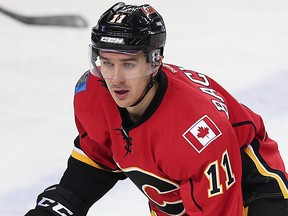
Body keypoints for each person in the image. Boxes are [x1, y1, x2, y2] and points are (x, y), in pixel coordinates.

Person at [25, 2, 288, 216]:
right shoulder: (92, 93)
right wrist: (57, 208)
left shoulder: (196, 130)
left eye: (128, 64)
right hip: (178, 197)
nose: (115, 78)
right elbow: (97, 162)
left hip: (251, 191)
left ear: (154, 62)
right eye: (106, 62)